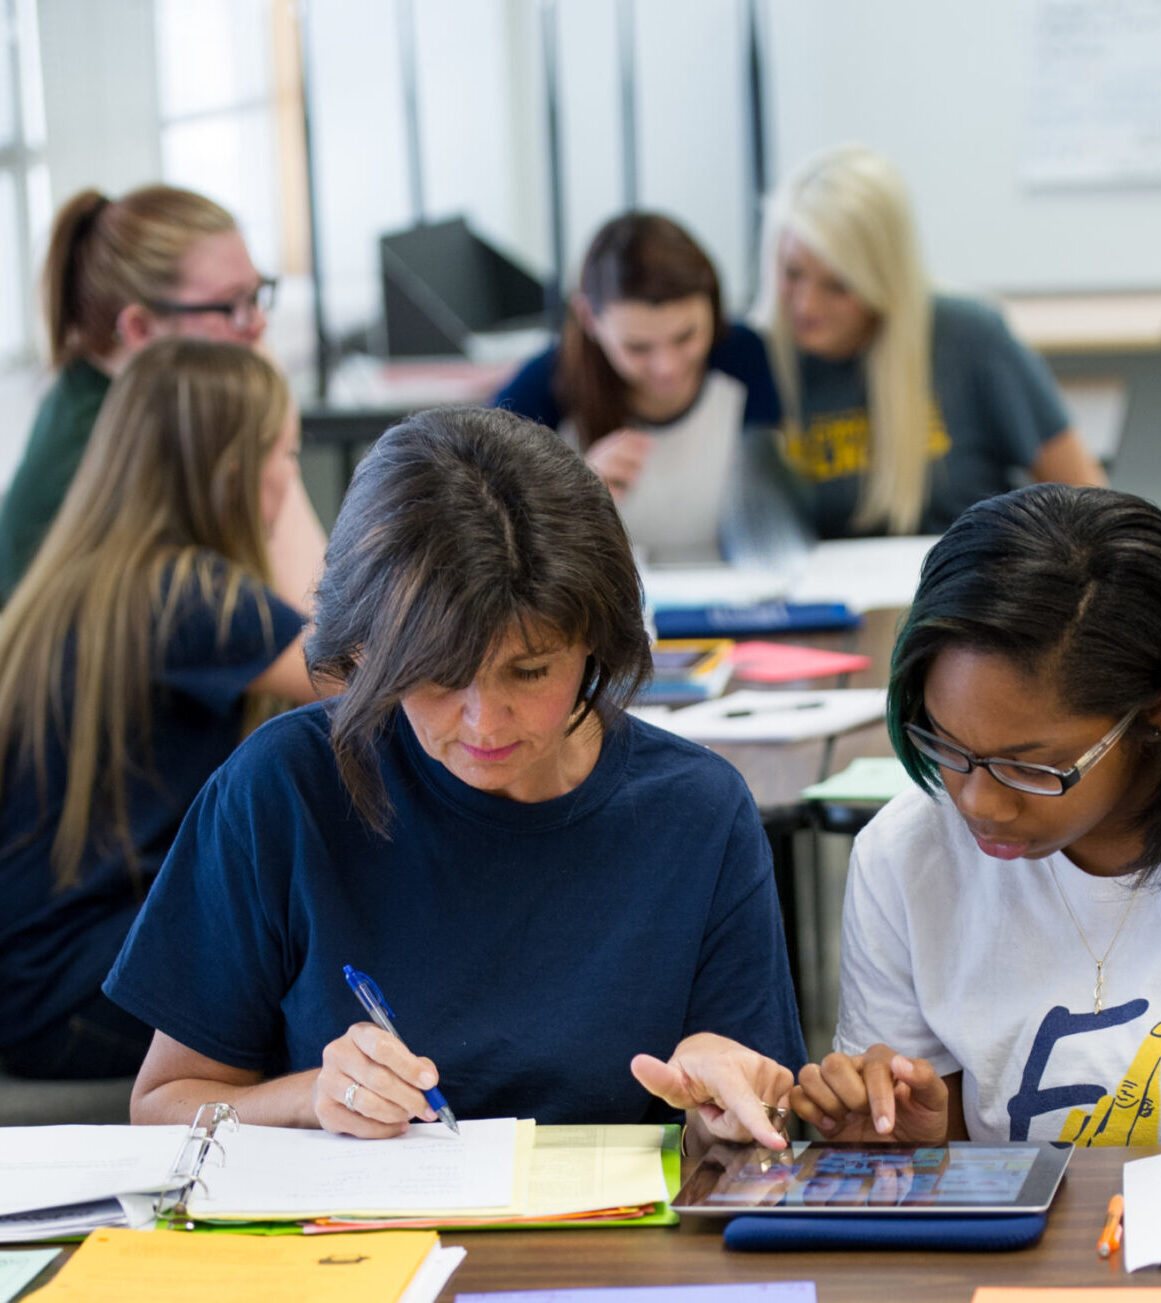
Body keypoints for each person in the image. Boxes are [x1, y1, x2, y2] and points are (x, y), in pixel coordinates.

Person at [105, 405, 806, 1148]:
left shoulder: (695, 812)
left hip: (612, 1249)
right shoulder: (283, 789)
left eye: (529, 671)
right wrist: (311, 1096)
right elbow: (162, 1107)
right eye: (438, 678)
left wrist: (717, 1105)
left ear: (597, 639)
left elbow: (763, 1127)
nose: (485, 723)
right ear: (368, 653)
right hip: (351, 1252)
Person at [792, 484, 1161, 1146]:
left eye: (1030, 766)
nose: (977, 803)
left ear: (1159, 707)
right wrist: (907, 1145)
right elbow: (926, 1190)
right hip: (1016, 1254)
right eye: (945, 744)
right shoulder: (904, 854)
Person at [0, 338, 317, 1080]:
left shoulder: (92, 578)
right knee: (332, 986)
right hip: (77, 989)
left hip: (36, 978)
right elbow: (382, 681)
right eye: (288, 456)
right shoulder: (192, 595)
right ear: (237, 472)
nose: (288, 478)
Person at [0, 183, 325, 607]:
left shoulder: (106, 393)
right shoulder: (114, 446)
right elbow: (310, 629)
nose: (258, 325)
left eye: (257, 295)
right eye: (231, 306)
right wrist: (272, 426)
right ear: (140, 330)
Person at [756, 145, 1107, 538]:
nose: (806, 304)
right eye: (792, 273)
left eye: (838, 286)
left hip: (968, 585)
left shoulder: (970, 337)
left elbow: (1088, 502)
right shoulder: (755, 358)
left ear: (883, 280)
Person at [494, 212, 791, 563]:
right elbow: (488, 523)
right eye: (637, 347)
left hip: (735, 582)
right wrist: (569, 495)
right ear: (589, 319)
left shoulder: (744, 358)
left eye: (686, 336)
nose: (666, 367)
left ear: (712, 307)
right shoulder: (544, 384)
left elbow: (768, 501)